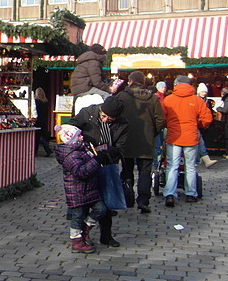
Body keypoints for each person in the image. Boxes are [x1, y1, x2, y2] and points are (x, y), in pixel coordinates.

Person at [69, 95, 128, 247]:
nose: (106, 120)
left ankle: (106, 236)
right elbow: (71, 127)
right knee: (86, 200)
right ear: (100, 110)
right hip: (86, 162)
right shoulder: (87, 112)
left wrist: (107, 152)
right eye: (104, 116)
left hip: (107, 163)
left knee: (106, 202)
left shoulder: (123, 123)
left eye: (111, 118)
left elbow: (121, 148)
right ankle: (82, 234)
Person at [54, 124, 108, 254]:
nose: (82, 136)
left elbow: (91, 154)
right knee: (77, 216)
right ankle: (76, 241)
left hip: (88, 189)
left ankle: (85, 228)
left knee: (100, 209)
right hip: (77, 191)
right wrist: (96, 160)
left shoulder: (81, 148)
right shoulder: (70, 156)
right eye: (79, 135)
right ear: (72, 140)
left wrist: (104, 150)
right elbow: (81, 172)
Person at [161, 75, 214, 207]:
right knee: (190, 167)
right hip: (191, 137)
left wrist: (169, 125)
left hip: (174, 137)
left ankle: (169, 194)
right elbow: (207, 118)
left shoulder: (168, 100)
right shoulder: (197, 100)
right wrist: (197, 125)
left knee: (172, 166)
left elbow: (162, 117)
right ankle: (191, 194)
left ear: (176, 85)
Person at [117, 71, 165, 214]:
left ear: (130, 81)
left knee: (126, 170)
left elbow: (115, 117)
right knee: (145, 172)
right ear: (144, 83)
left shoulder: (122, 97)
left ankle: (127, 198)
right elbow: (160, 120)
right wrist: (153, 132)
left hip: (126, 140)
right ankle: (143, 200)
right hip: (146, 140)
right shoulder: (153, 99)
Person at [195, 83, 219, 169]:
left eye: (205, 91)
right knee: (198, 141)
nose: (204, 93)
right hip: (196, 124)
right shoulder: (196, 100)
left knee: (199, 141)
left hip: (202, 124)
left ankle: (202, 159)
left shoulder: (207, 101)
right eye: (202, 91)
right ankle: (204, 159)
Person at [34, 87, 53, 157]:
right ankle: (47, 149)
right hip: (44, 120)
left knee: (37, 137)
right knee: (40, 137)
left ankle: (47, 149)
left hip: (38, 120)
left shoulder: (36, 101)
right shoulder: (45, 101)